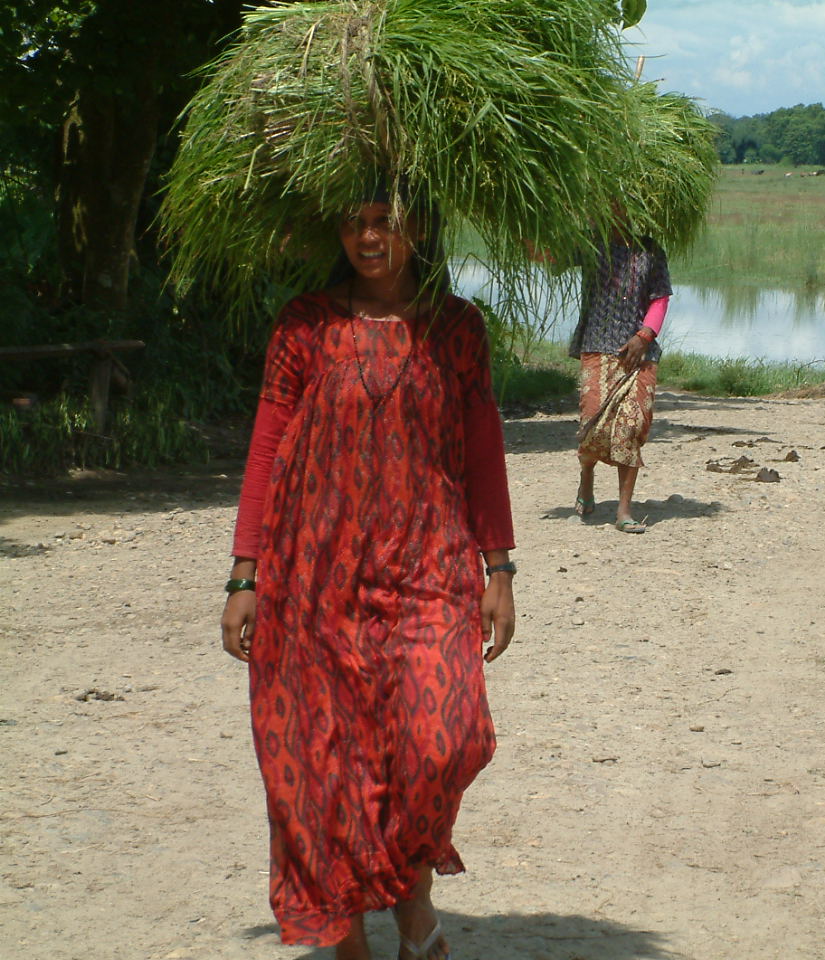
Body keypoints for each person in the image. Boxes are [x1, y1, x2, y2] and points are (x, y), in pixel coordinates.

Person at [220, 191, 516, 960]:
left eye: (385, 219)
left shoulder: (456, 327)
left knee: (444, 738)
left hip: (430, 566)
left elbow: (483, 446)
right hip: (314, 578)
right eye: (353, 222)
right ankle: (347, 940)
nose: (368, 236)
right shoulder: (305, 324)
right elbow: (266, 444)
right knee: (321, 760)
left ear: (419, 227)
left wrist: (500, 565)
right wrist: (243, 573)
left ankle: (411, 890)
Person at [568, 223, 672, 533]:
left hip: (639, 352)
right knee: (593, 426)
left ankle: (623, 510)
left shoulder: (650, 250)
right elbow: (549, 256)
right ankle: (586, 480)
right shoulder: (590, 243)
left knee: (632, 426)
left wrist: (644, 336)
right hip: (598, 344)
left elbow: (660, 298)